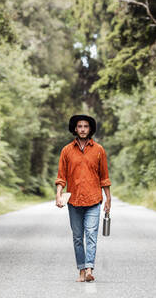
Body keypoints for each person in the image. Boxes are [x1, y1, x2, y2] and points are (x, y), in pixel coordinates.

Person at [55, 114, 112, 282]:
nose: (82, 129)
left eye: (85, 126)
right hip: (74, 201)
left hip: (94, 199)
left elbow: (104, 177)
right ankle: (81, 270)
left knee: (91, 234)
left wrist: (108, 199)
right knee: (78, 237)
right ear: (75, 129)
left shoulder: (99, 150)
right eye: (79, 126)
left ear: (90, 129)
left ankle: (89, 269)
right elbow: (61, 177)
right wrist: (58, 194)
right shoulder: (66, 150)